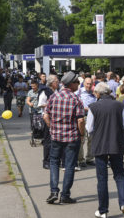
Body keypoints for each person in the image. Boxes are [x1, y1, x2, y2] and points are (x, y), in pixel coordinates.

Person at [86, 82, 124, 218]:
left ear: (98, 93)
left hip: (100, 145)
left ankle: (103, 210)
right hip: (116, 144)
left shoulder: (93, 107)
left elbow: (89, 128)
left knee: (102, 179)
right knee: (119, 176)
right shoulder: (119, 105)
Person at [43, 71, 84, 204]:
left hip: (56, 137)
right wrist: (81, 134)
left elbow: (45, 116)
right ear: (71, 84)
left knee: (54, 163)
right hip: (71, 138)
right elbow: (80, 121)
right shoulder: (75, 99)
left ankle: (54, 191)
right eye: (77, 82)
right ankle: (65, 195)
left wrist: (52, 128)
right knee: (69, 165)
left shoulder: (54, 97)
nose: (78, 84)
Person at [38, 74, 59, 169]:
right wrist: (51, 104)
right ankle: (46, 161)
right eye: (56, 81)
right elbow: (40, 104)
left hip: (57, 118)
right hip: (47, 118)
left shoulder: (57, 91)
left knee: (56, 140)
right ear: (51, 83)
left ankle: (54, 159)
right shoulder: (45, 92)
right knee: (48, 140)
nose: (58, 83)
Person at [76, 77, 97, 168]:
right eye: (87, 84)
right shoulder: (79, 92)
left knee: (91, 138)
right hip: (82, 117)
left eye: (90, 84)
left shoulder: (94, 93)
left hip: (92, 117)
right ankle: (81, 160)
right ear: (84, 83)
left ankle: (90, 158)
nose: (88, 85)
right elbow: (75, 104)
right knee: (81, 138)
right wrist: (86, 108)